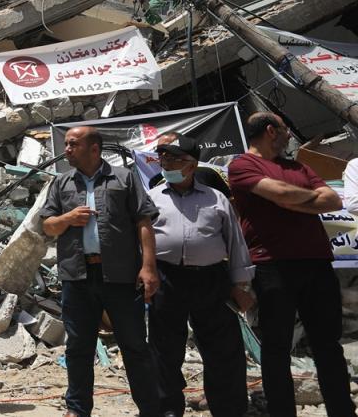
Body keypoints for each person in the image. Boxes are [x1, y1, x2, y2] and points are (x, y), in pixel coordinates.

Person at [228, 112, 354, 417]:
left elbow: (333, 201)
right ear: (272, 131)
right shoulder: (243, 165)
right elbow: (281, 193)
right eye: (285, 130)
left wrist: (290, 200)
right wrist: (302, 199)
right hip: (272, 266)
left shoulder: (297, 166)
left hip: (317, 263)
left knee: (328, 344)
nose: (289, 136)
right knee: (277, 347)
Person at [40, 125, 162, 417]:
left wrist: (148, 267)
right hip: (77, 277)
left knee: (134, 346)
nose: (66, 149)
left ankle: (150, 409)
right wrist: (68, 218)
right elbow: (47, 226)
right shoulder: (62, 183)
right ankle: (77, 409)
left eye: (72, 144)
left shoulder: (124, 178)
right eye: (66, 144)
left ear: (93, 148)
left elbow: (143, 223)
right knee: (79, 348)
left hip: (120, 276)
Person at [146, 135, 253, 417]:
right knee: (163, 350)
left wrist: (241, 284)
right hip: (166, 278)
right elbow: (141, 241)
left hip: (211, 280)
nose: (166, 164)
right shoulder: (151, 198)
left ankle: (229, 410)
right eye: (164, 158)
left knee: (223, 350)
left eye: (173, 159)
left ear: (191, 165)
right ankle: (166, 410)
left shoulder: (215, 199)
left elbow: (235, 243)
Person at [145, 131, 230, 196]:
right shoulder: (155, 182)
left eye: (168, 152)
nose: (164, 158)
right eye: (160, 153)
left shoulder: (209, 174)